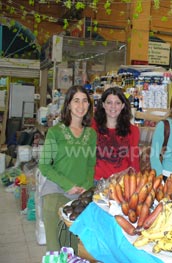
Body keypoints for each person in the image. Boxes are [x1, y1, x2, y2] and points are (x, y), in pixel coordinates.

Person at [39, 85, 97, 252]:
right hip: (56, 193)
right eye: (76, 100)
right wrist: (68, 185)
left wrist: (85, 188)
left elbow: (90, 164)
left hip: (78, 198)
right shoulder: (55, 132)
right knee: (56, 248)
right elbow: (44, 165)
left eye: (85, 101)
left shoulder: (91, 134)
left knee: (73, 249)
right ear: (69, 104)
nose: (81, 105)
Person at [92, 87, 140, 180]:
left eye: (117, 103)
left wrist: (136, 183)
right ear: (103, 105)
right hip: (95, 181)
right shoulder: (92, 127)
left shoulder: (133, 131)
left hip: (120, 184)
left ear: (122, 106)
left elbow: (134, 162)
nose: (113, 106)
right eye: (109, 102)